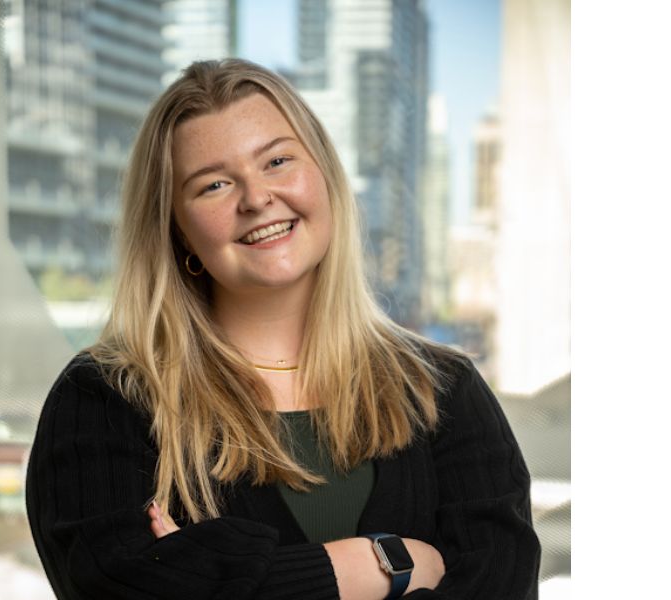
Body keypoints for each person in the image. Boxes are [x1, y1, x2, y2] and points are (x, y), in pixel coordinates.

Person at [26, 58, 540, 600]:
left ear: (323, 175)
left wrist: (222, 576)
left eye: (277, 160)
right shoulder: (106, 399)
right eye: (214, 185)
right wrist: (378, 564)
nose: (256, 198)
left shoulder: (443, 391)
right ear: (177, 231)